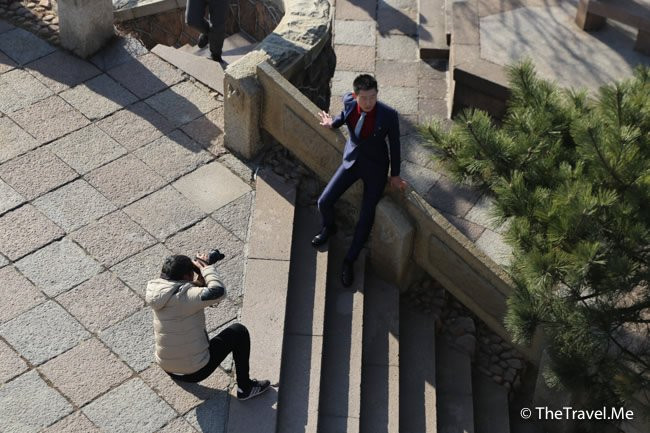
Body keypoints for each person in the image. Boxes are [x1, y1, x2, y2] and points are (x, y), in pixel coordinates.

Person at [315, 74, 407, 287]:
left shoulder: (388, 115)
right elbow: (344, 116)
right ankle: (329, 228)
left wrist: (395, 175)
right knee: (324, 201)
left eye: (373, 97)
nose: (369, 103)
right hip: (352, 162)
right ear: (355, 96)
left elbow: (395, 146)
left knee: (366, 218)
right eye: (364, 98)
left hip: (376, 169)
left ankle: (349, 260)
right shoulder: (349, 101)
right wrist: (333, 123)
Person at [145, 252, 270, 400]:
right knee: (238, 331)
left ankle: (180, 369)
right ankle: (245, 388)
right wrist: (207, 269)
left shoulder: (156, 290)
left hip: (167, 367)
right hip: (195, 372)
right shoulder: (186, 297)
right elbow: (218, 292)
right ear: (186, 276)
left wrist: (199, 275)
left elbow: (185, 292)